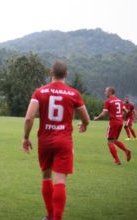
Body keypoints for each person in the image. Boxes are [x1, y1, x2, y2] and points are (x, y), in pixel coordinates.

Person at [22, 61, 90, 220]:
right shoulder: (74, 94)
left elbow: (29, 118)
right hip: (64, 141)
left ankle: (50, 215)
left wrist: (25, 137)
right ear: (66, 74)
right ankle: (57, 218)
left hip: (45, 141)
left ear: (51, 73)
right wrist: (84, 125)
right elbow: (85, 117)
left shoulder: (39, 92)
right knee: (60, 181)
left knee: (46, 176)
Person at [94, 87, 131, 165]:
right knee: (114, 140)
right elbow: (126, 111)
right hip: (120, 122)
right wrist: (121, 116)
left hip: (114, 123)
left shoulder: (108, 101)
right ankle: (126, 151)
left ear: (110, 92)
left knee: (110, 142)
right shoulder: (120, 101)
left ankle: (117, 160)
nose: (105, 93)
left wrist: (97, 118)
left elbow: (103, 114)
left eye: (106, 91)